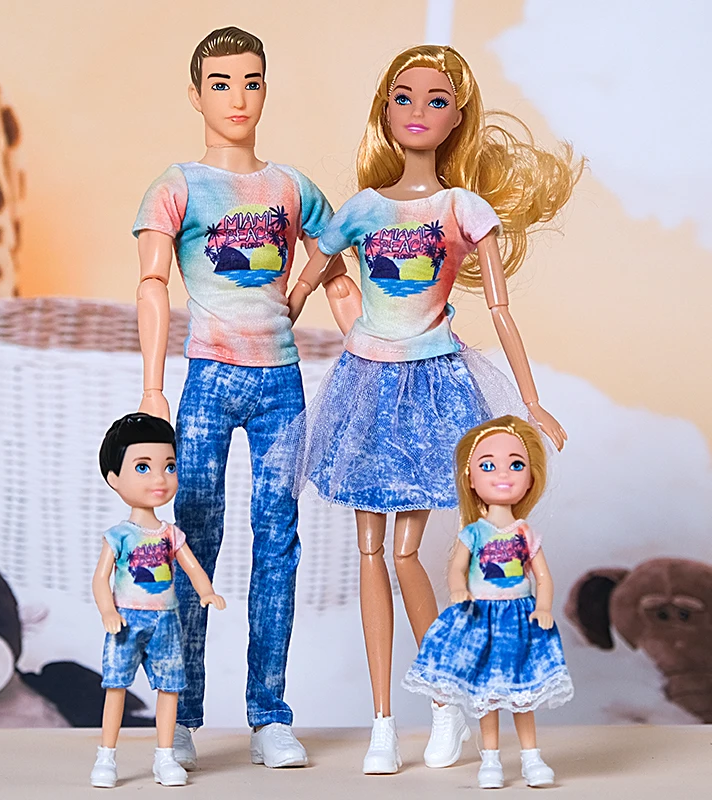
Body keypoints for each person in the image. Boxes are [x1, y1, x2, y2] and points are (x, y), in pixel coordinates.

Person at [279, 44, 582, 773]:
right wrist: (269, 322)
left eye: (436, 100)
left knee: (406, 551)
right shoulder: (363, 208)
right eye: (404, 97)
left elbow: (501, 312)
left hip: (432, 382)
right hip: (364, 384)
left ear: (457, 118)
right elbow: (309, 276)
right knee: (368, 552)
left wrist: (532, 401)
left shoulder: (462, 208)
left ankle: (445, 701)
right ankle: (383, 722)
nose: (418, 111)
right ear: (384, 109)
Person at [133, 26, 343, 769]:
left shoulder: (291, 186)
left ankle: (269, 714)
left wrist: (363, 342)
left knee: (278, 542)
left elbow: (337, 264)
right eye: (220, 83)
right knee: (191, 538)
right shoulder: (177, 185)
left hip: (282, 382)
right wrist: (152, 387)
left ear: (266, 90)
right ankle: (180, 713)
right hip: (208, 378)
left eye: (251, 81)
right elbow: (152, 283)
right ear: (196, 95)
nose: (237, 97)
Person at [403, 416, 573, 788]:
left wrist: (544, 607)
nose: (503, 474)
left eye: (516, 464)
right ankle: (491, 760)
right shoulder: (474, 533)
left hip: (520, 618)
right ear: (470, 478)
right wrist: (458, 590)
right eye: (487, 465)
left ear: (531, 478)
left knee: (523, 693)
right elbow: (457, 569)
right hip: (482, 616)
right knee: (487, 694)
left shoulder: (525, 532)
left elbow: (542, 577)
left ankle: (531, 757)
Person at [90, 413, 226, 788]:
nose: (159, 479)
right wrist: (107, 611)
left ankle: (165, 756)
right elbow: (100, 579)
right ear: (114, 479)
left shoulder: (170, 534)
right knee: (116, 686)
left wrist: (206, 591)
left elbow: (192, 566)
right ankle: (106, 757)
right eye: (143, 467)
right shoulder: (119, 535)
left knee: (170, 687)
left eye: (169, 466)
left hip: (166, 620)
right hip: (126, 620)